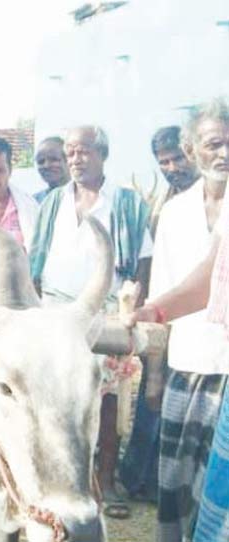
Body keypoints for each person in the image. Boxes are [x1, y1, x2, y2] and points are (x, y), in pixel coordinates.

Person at [28, 125, 153, 519]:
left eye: (83, 151)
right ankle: (55, 478)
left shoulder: (127, 204)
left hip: (107, 314)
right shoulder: (52, 202)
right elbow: (36, 258)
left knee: (107, 403)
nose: (75, 159)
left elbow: (143, 262)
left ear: (103, 154)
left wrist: (134, 309)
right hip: (54, 312)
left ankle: (106, 481)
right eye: (70, 153)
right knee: (54, 401)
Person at [130, 98, 229, 542]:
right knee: (175, 493)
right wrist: (151, 317)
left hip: (226, 370)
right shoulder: (173, 213)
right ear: (192, 151)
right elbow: (193, 287)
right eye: (213, 144)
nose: (223, 153)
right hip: (186, 363)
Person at [147, 125, 199, 235]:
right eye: (164, 162)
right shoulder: (157, 210)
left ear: (193, 154)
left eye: (178, 159)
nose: (173, 168)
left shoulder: (218, 194)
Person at [33, 136, 69, 203]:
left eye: (54, 159)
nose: (46, 166)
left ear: (68, 160)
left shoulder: (84, 197)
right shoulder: (33, 202)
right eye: (41, 161)